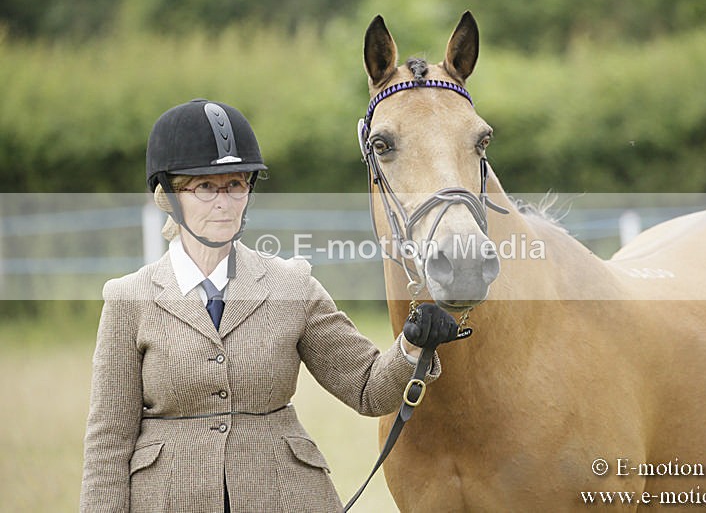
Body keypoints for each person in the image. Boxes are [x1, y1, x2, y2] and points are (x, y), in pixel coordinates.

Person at [79, 98, 460, 512]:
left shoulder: (292, 285)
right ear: (167, 195)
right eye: (205, 187)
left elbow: (367, 388)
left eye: (236, 185)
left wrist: (411, 345)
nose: (223, 203)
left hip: (284, 497)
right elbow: (108, 442)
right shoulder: (128, 300)